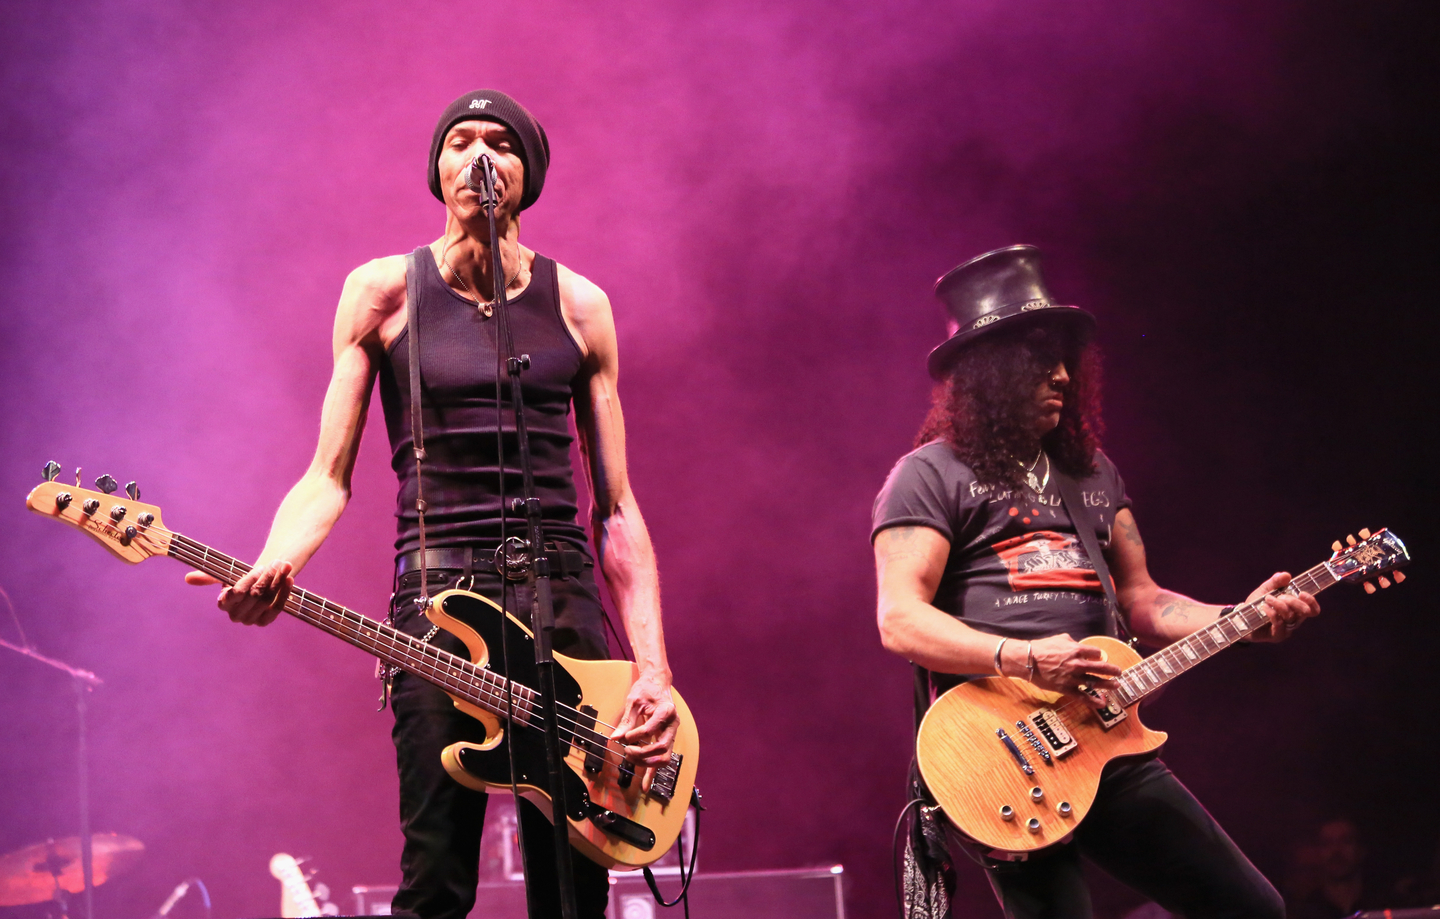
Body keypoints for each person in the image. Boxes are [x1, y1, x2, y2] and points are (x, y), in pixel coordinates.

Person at [185, 89, 678, 919]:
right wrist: (279, 561)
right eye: (461, 142)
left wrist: (655, 669)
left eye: (501, 143)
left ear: (528, 174)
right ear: (437, 169)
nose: (480, 158)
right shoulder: (384, 292)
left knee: (572, 889)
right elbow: (326, 476)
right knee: (436, 878)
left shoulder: (581, 306)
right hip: (435, 607)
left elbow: (618, 510)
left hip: (562, 605)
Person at [871, 245, 1320, 919]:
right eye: (1037, 361)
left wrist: (1246, 615)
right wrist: (1026, 656)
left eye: (1064, 360)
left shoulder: (1093, 473)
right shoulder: (930, 474)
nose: (1060, 374)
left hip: (1106, 735)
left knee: (1252, 908)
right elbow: (899, 619)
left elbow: (1145, 602)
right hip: (1000, 751)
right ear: (990, 373)